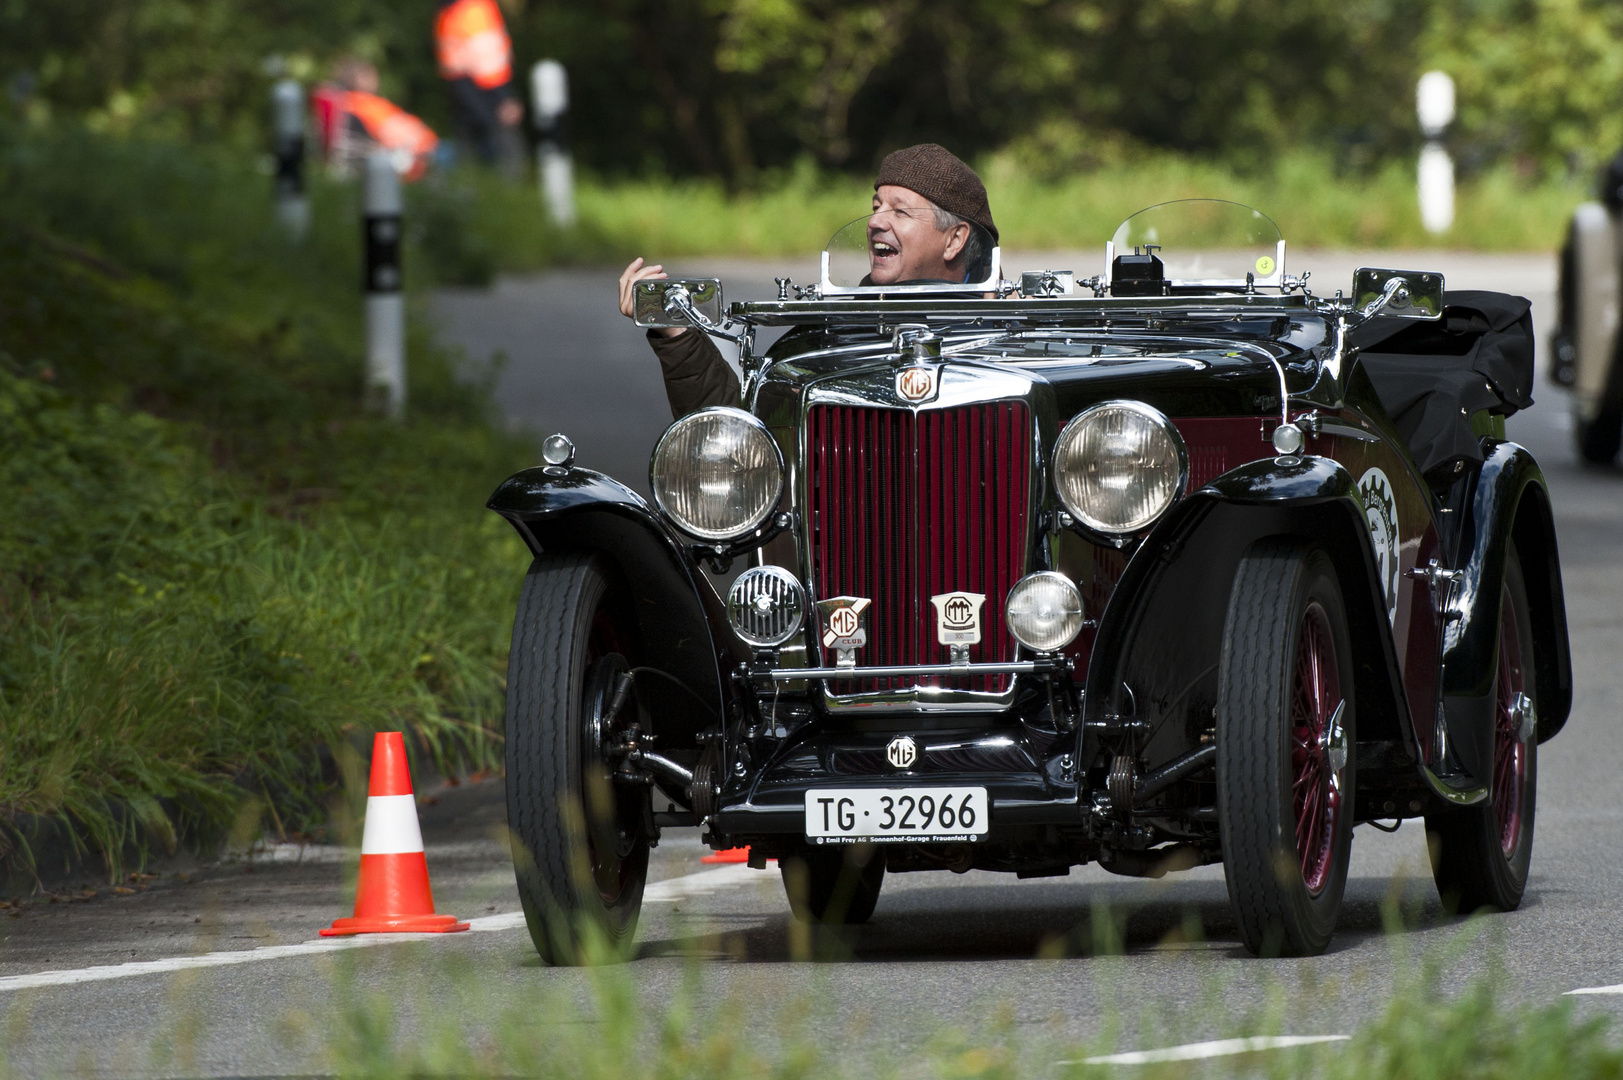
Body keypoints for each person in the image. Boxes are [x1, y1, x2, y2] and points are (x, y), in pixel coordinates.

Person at [617, 143, 999, 419]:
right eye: (876, 207)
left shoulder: (1018, 332)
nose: (875, 222)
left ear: (954, 239)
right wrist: (677, 335)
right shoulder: (829, 331)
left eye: (900, 211)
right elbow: (734, 434)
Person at [434, 0, 525, 176]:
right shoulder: (475, 7)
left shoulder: (447, 10)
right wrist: (506, 97)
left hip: (460, 91)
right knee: (506, 155)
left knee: (469, 157)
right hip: (487, 94)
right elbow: (489, 59)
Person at [311, 58, 439, 181]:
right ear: (362, 79)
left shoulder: (337, 102)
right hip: (401, 161)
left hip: (354, 161)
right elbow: (399, 136)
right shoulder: (366, 105)